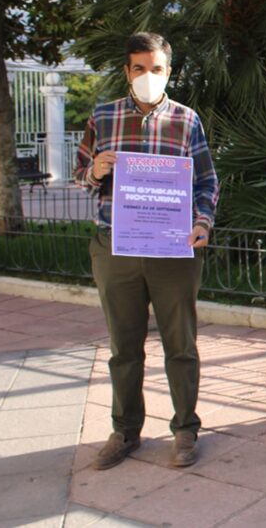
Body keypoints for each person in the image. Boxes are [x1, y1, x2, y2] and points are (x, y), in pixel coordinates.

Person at [74, 32, 219, 470]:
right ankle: (125, 431)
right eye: (139, 69)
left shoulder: (186, 121)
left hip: (174, 250)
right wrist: (93, 170)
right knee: (124, 346)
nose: (148, 77)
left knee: (181, 344)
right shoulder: (103, 117)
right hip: (115, 246)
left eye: (156, 69)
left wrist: (202, 222)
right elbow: (80, 172)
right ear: (127, 72)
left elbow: (207, 181)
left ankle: (185, 429)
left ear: (168, 72)